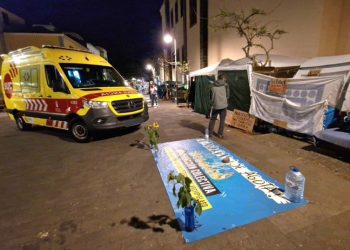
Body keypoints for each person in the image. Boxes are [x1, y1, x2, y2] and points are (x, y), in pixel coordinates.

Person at [208, 74, 230, 138]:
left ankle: (210, 133)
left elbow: (210, 96)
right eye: (225, 78)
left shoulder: (211, 85)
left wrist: (212, 103)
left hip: (215, 105)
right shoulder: (226, 85)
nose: (225, 79)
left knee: (212, 119)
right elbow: (228, 96)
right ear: (223, 78)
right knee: (222, 120)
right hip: (223, 105)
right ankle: (220, 134)